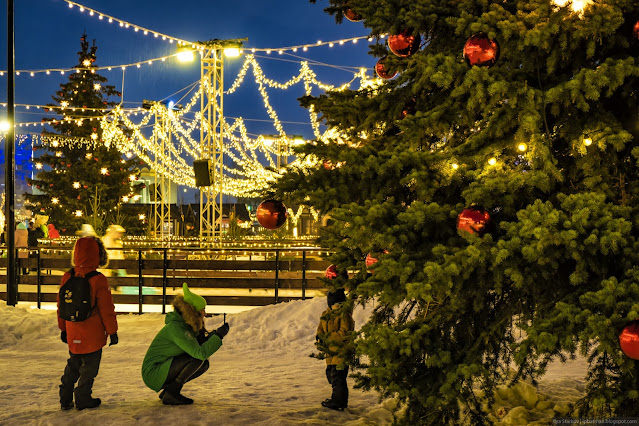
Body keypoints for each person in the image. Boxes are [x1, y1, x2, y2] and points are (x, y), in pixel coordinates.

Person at [57, 236, 118, 411]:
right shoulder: (98, 279)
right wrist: (112, 332)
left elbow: (61, 304)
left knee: (73, 364)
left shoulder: (67, 276)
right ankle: (83, 397)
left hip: (73, 330)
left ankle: (65, 397)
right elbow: (106, 309)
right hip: (92, 333)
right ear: (99, 254)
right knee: (89, 368)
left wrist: (63, 328)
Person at [142, 283, 229, 405]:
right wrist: (218, 337)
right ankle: (172, 392)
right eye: (202, 310)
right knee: (197, 359)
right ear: (192, 311)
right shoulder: (177, 327)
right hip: (153, 372)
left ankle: (169, 391)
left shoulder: (185, 324)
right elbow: (199, 353)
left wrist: (213, 335)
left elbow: (197, 346)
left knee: (203, 364)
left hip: (163, 367)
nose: (204, 313)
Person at [315, 288, 355, 411]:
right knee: (330, 375)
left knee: (338, 377)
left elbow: (344, 332)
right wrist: (320, 337)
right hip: (330, 352)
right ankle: (338, 398)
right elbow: (320, 328)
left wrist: (328, 337)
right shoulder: (325, 314)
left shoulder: (345, 315)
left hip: (342, 351)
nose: (336, 307)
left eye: (339, 305)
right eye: (334, 305)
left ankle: (339, 401)